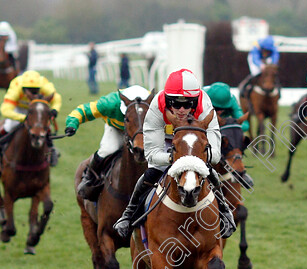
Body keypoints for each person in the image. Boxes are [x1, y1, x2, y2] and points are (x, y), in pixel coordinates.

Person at [112, 69, 237, 239]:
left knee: (210, 171)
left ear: (196, 100)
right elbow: (152, 155)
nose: (182, 109)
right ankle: (128, 215)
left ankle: (225, 212)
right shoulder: (157, 106)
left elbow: (214, 155)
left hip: (193, 142)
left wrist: (193, 159)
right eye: (176, 104)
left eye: (187, 104)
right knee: (152, 171)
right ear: (167, 100)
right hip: (164, 141)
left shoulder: (205, 106)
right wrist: (174, 158)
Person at [66, 84, 152, 198]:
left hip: (144, 131)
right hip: (117, 129)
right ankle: (90, 179)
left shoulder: (156, 102)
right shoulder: (110, 103)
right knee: (107, 149)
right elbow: (84, 110)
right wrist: (72, 124)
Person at [0, 70, 63, 166]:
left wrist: (55, 110)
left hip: (37, 109)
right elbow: (5, 110)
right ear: (22, 88)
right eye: (29, 90)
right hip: (19, 108)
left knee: (46, 127)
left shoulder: (45, 85)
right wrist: (22, 118)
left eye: (35, 90)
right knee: (10, 125)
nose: (32, 93)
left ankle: (52, 150)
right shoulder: (16, 86)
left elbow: (56, 98)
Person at [204, 81, 255, 188]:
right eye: (216, 108)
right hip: (203, 126)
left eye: (223, 109)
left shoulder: (231, 99)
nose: (220, 111)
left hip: (223, 129)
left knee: (235, 135)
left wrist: (227, 123)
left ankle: (239, 171)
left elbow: (245, 126)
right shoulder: (201, 98)